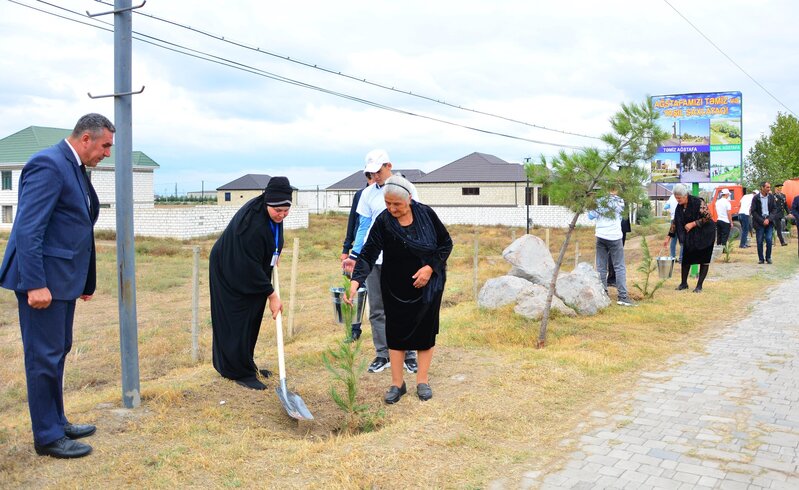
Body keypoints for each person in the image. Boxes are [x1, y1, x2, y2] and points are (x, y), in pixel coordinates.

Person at [0, 113, 111, 458]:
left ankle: (57, 420)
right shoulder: (48, 164)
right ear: (86, 139)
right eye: (105, 145)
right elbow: (28, 229)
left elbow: (75, 226)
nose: (108, 153)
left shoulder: (74, 167)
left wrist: (83, 280)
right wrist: (35, 284)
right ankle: (47, 436)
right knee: (43, 358)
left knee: (58, 351)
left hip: (63, 282)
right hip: (43, 283)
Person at [345, 175, 452, 403]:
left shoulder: (426, 214)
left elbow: (445, 244)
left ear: (409, 200)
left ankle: (422, 380)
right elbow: (368, 253)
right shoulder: (384, 221)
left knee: (425, 330)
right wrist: (355, 282)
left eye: (397, 204)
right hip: (394, 285)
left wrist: (430, 269)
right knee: (395, 332)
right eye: (388, 203)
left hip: (428, 285)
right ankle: (397, 384)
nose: (392, 208)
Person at [209, 176, 293, 390]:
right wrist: (272, 295)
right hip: (230, 270)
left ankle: (246, 364)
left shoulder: (270, 213)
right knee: (237, 319)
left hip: (252, 269)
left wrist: (275, 254)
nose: (282, 215)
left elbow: (273, 238)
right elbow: (248, 264)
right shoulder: (252, 225)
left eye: (286, 210)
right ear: (268, 203)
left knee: (252, 317)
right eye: (278, 211)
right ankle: (238, 372)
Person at [342, 149, 419, 374]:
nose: (375, 176)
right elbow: (363, 227)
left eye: (378, 171)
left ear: (388, 166)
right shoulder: (368, 194)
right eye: (371, 173)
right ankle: (382, 354)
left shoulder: (407, 189)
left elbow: (416, 220)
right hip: (376, 260)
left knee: (405, 307)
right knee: (378, 309)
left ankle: (409, 355)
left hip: (403, 257)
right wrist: (354, 255)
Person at [339, 172, 374, 342]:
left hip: (379, 251)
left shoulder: (385, 192)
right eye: (371, 178)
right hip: (359, 251)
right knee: (357, 289)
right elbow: (353, 221)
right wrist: (347, 248)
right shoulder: (361, 195)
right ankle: (354, 329)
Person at [663, 184, 716, 292]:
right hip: (691, 236)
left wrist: (693, 223)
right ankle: (683, 284)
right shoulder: (679, 207)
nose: (678, 200)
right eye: (676, 198)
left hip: (705, 234)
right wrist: (668, 237)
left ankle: (699, 286)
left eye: (679, 198)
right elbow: (675, 222)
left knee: (704, 260)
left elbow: (708, 216)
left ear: (686, 195)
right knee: (686, 259)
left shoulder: (698, 202)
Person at [588, 186, 635, 306]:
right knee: (619, 266)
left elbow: (590, 216)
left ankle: (603, 293)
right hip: (615, 236)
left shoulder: (599, 201)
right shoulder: (620, 201)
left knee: (601, 266)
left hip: (601, 235)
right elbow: (620, 217)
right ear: (617, 190)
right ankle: (622, 296)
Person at [751, 181, 777, 264]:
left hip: (769, 221)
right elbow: (753, 211)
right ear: (762, 188)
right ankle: (761, 259)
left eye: (769, 187)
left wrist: (768, 219)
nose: (769, 189)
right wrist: (762, 220)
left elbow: (774, 209)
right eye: (767, 187)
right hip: (759, 222)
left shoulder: (771, 197)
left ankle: (768, 257)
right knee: (759, 240)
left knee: (769, 239)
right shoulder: (756, 198)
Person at [664, 192, 683, 261]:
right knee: (682, 240)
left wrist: (670, 209)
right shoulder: (682, 196)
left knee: (673, 240)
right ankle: (681, 258)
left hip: (673, 219)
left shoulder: (672, 197)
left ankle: (672, 257)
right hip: (681, 220)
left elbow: (665, 206)